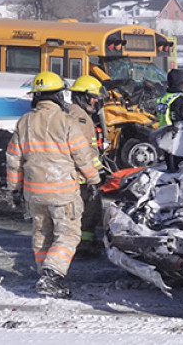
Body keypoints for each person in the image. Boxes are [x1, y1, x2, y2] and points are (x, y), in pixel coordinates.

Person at [5, 72, 101, 298]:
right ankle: (52, 275)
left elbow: (13, 159)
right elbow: (82, 156)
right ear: (58, 95)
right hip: (62, 192)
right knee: (68, 234)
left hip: (34, 193)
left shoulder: (24, 122)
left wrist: (14, 188)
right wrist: (94, 180)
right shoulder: (66, 121)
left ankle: (44, 275)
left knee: (42, 233)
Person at [67, 75, 106, 258]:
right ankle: (82, 246)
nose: (96, 101)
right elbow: (82, 151)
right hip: (80, 176)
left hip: (82, 174)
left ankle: (85, 242)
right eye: (93, 96)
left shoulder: (80, 115)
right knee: (89, 211)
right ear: (82, 96)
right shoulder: (79, 118)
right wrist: (96, 173)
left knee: (90, 210)